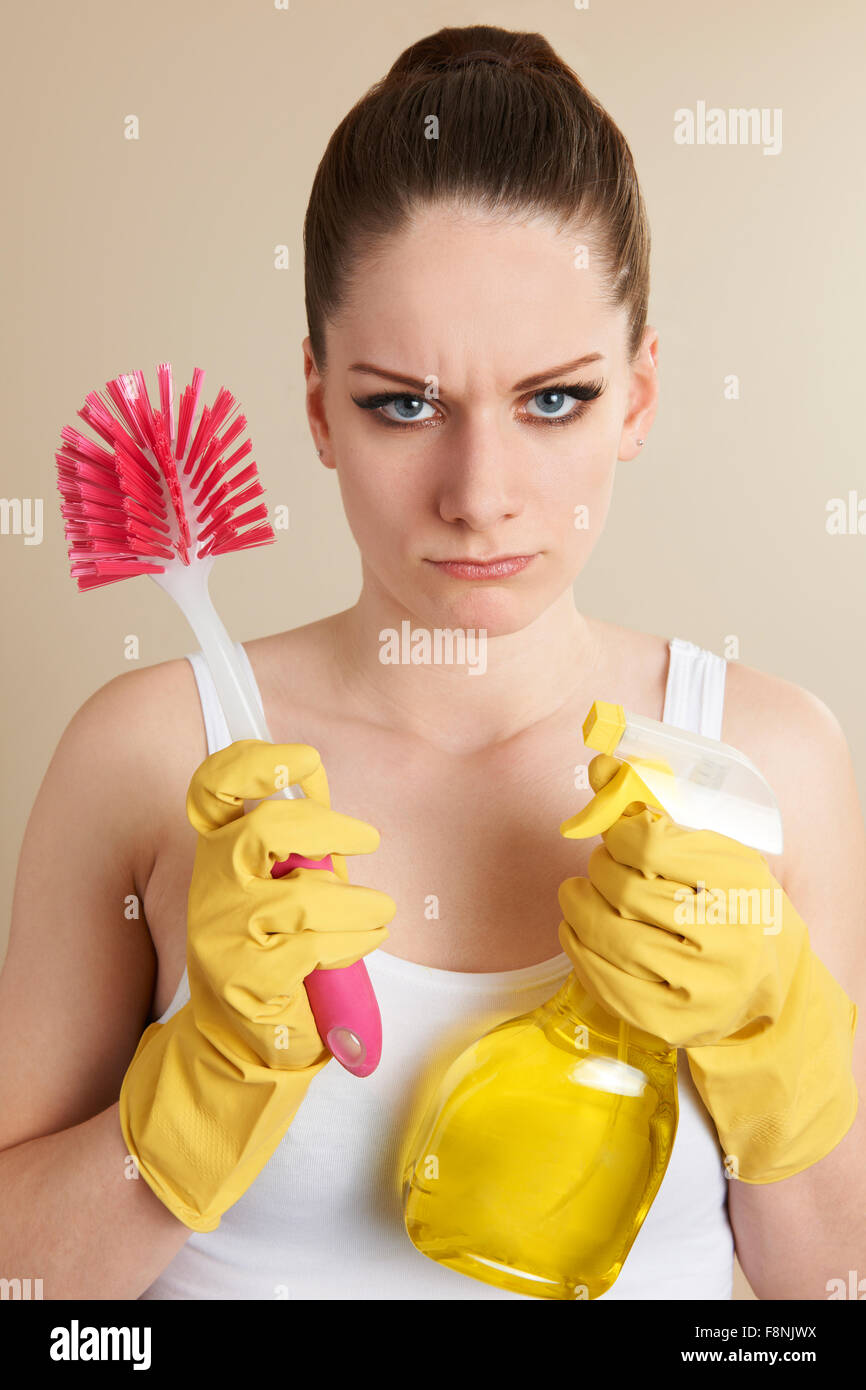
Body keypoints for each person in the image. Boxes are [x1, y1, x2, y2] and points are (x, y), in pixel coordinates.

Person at [1, 23, 862, 1302]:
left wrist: (771, 1054)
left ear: (637, 392)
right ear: (315, 406)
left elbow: (823, 1296)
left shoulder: (765, 760)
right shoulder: (148, 753)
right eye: (403, 402)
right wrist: (200, 1085)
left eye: (553, 399)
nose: (480, 495)